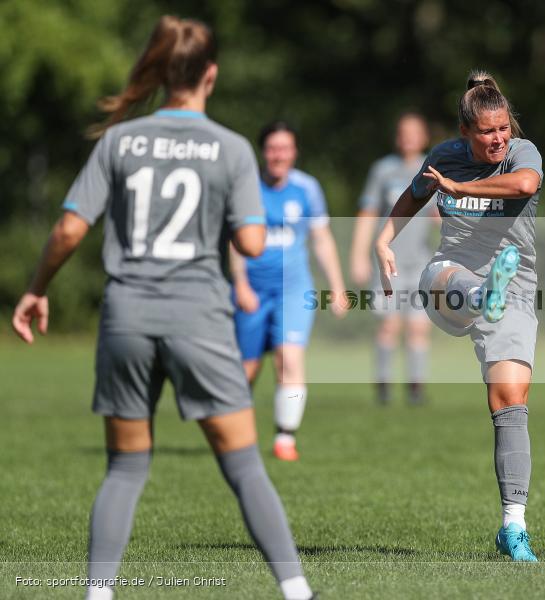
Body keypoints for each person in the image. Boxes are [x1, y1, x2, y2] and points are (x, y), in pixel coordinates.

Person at [11, 16, 316, 600]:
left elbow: (71, 229)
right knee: (245, 466)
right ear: (211, 75)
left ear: (158, 70)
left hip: (126, 316)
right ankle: (297, 592)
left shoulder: (120, 141)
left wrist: (37, 288)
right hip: (197, 316)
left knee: (125, 468)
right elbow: (252, 243)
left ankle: (97, 594)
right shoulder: (229, 148)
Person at [374, 70, 542, 562]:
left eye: (504, 128)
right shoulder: (444, 156)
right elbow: (414, 194)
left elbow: (525, 185)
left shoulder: (522, 154)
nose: (498, 139)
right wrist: (384, 239)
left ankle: (513, 526)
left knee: (509, 399)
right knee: (452, 278)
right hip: (449, 276)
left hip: (516, 284)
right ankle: (479, 294)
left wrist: (459, 187)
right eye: (488, 131)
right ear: (466, 131)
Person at [231, 121, 347, 461]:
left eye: (285, 148)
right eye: (272, 148)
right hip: (251, 289)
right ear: (263, 151)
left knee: (289, 359)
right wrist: (239, 284)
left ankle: (285, 437)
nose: (278, 155)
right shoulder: (246, 187)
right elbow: (234, 241)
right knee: (245, 369)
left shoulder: (307, 189)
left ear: (294, 152)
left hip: (294, 289)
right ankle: (238, 437)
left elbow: (321, 239)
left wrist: (336, 286)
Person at [350, 113, 435, 405]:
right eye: (403, 131)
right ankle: (383, 387)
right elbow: (367, 215)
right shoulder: (383, 171)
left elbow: (442, 216)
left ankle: (416, 389)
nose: (408, 137)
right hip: (389, 264)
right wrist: (359, 257)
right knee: (388, 325)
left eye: (415, 131)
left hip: (421, 263)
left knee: (418, 327)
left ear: (424, 136)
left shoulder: (433, 170)